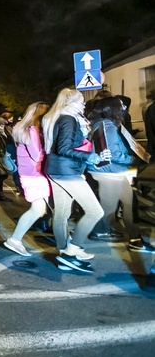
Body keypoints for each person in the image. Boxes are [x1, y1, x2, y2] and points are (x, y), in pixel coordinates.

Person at [42, 88, 109, 273]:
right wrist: (90, 157)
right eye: (81, 102)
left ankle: (64, 250)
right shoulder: (68, 119)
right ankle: (72, 251)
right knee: (95, 212)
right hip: (66, 171)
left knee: (62, 213)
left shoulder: (58, 117)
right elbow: (64, 148)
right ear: (70, 103)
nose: (83, 104)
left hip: (57, 169)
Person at [87, 97, 155, 252]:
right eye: (121, 106)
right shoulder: (108, 127)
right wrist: (134, 159)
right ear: (113, 109)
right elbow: (113, 154)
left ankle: (135, 239)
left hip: (113, 172)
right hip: (109, 173)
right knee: (110, 208)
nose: (124, 108)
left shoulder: (102, 124)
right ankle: (94, 234)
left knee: (128, 204)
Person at [2, 102, 51, 256]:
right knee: (37, 209)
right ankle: (15, 239)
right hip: (33, 174)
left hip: (32, 174)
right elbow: (37, 155)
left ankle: (15, 239)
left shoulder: (26, 130)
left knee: (40, 209)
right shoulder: (32, 131)